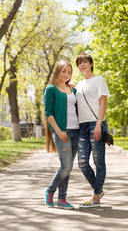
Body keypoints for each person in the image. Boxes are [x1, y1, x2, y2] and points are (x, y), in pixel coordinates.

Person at [76, 53, 110, 209]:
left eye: (85, 62)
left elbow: (103, 103)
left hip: (95, 124)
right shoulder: (78, 85)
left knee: (98, 161)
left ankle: (95, 197)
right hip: (82, 126)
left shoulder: (99, 80)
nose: (82, 65)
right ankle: (99, 189)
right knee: (82, 163)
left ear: (91, 64)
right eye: (79, 63)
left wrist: (98, 124)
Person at [43, 60, 79, 209]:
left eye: (69, 72)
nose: (67, 74)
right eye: (64, 71)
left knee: (68, 167)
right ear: (58, 72)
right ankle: (50, 190)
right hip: (62, 132)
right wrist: (58, 131)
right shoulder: (51, 89)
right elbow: (48, 113)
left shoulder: (72, 90)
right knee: (66, 166)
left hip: (76, 131)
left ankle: (62, 199)